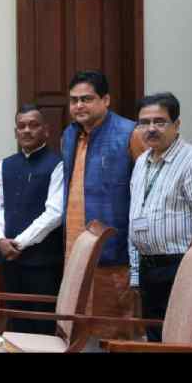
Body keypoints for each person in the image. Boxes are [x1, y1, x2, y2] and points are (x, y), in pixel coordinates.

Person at [128, 92, 192, 341]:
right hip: (148, 267)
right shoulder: (142, 162)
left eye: (159, 122)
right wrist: (136, 273)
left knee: (183, 339)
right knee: (155, 338)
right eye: (144, 123)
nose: (151, 129)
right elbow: (134, 218)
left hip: (181, 266)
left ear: (176, 124)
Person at [61, 70, 147, 340]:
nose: (79, 106)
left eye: (86, 99)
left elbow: (147, 192)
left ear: (106, 100)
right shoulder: (69, 135)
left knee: (115, 332)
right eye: (74, 100)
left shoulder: (130, 134)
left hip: (114, 253)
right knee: (77, 329)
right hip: (75, 249)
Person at [0, 104, 64, 334]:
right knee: (14, 324)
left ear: (46, 130)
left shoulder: (57, 164)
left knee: (42, 325)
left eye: (33, 125)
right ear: (16, 132)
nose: (27, 130)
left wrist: (19, 243)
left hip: (42, 261)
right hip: (9, 260)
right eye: (21, 126)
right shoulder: (5, 164)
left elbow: (54, 213)